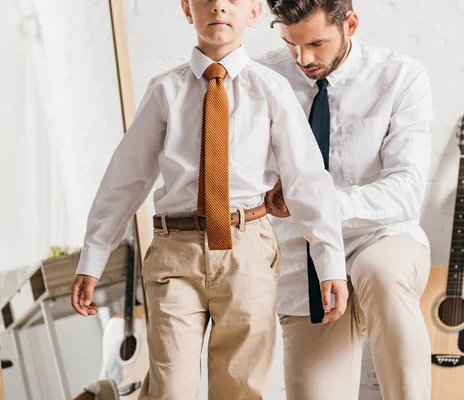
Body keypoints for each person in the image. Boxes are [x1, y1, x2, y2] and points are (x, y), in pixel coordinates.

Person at [69, 0, 349, 398]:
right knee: (170, 388)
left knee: (240, 387)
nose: (218, 6)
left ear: (254, 12)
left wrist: (330, 262)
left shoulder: (270, 89)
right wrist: (94, 256)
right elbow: (125, 179)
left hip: (247, 250)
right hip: (174, 253)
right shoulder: (165, 90)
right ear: (187, 9)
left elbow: (307, 180)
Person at [260, 0, 434, 399]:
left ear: (350, 24)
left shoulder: (400, 77)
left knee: (379, 272)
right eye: (291, 44)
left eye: (316, 44)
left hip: (381, 240)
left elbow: (406, 191)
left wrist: (315, 203)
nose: (303, 58)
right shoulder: (263, 78)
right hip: (304, 265)